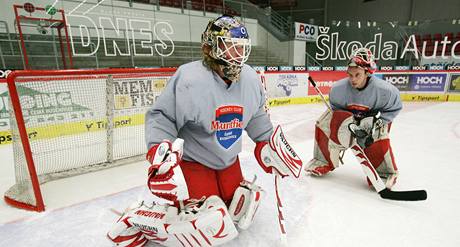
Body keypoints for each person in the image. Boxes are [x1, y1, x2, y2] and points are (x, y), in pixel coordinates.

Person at [107, 15, 303, 247]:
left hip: (229, 160)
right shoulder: (190, 79)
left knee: (235, 206)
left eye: (240, 49)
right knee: (206, 219)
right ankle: (138, 219)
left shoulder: (250, 78)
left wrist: (267, 143)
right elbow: (163, 116)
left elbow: (256, 114)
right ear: (209, 48)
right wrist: (160, 153)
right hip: (195, 161)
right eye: (230, 48)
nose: (237, 56)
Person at [305, 47, 402, 189]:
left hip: (372, 121)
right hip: (350, 119)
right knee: (324, 122)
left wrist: (377, 122)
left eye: (357, 75)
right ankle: (323, 160)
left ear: (368, 72)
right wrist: (345, 123)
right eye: (350, 75)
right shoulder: (338, 89)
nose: (353, 79)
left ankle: (383, 173)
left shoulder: (386, 91)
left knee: (377, 135)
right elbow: (335, 109)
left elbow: (394, 108)